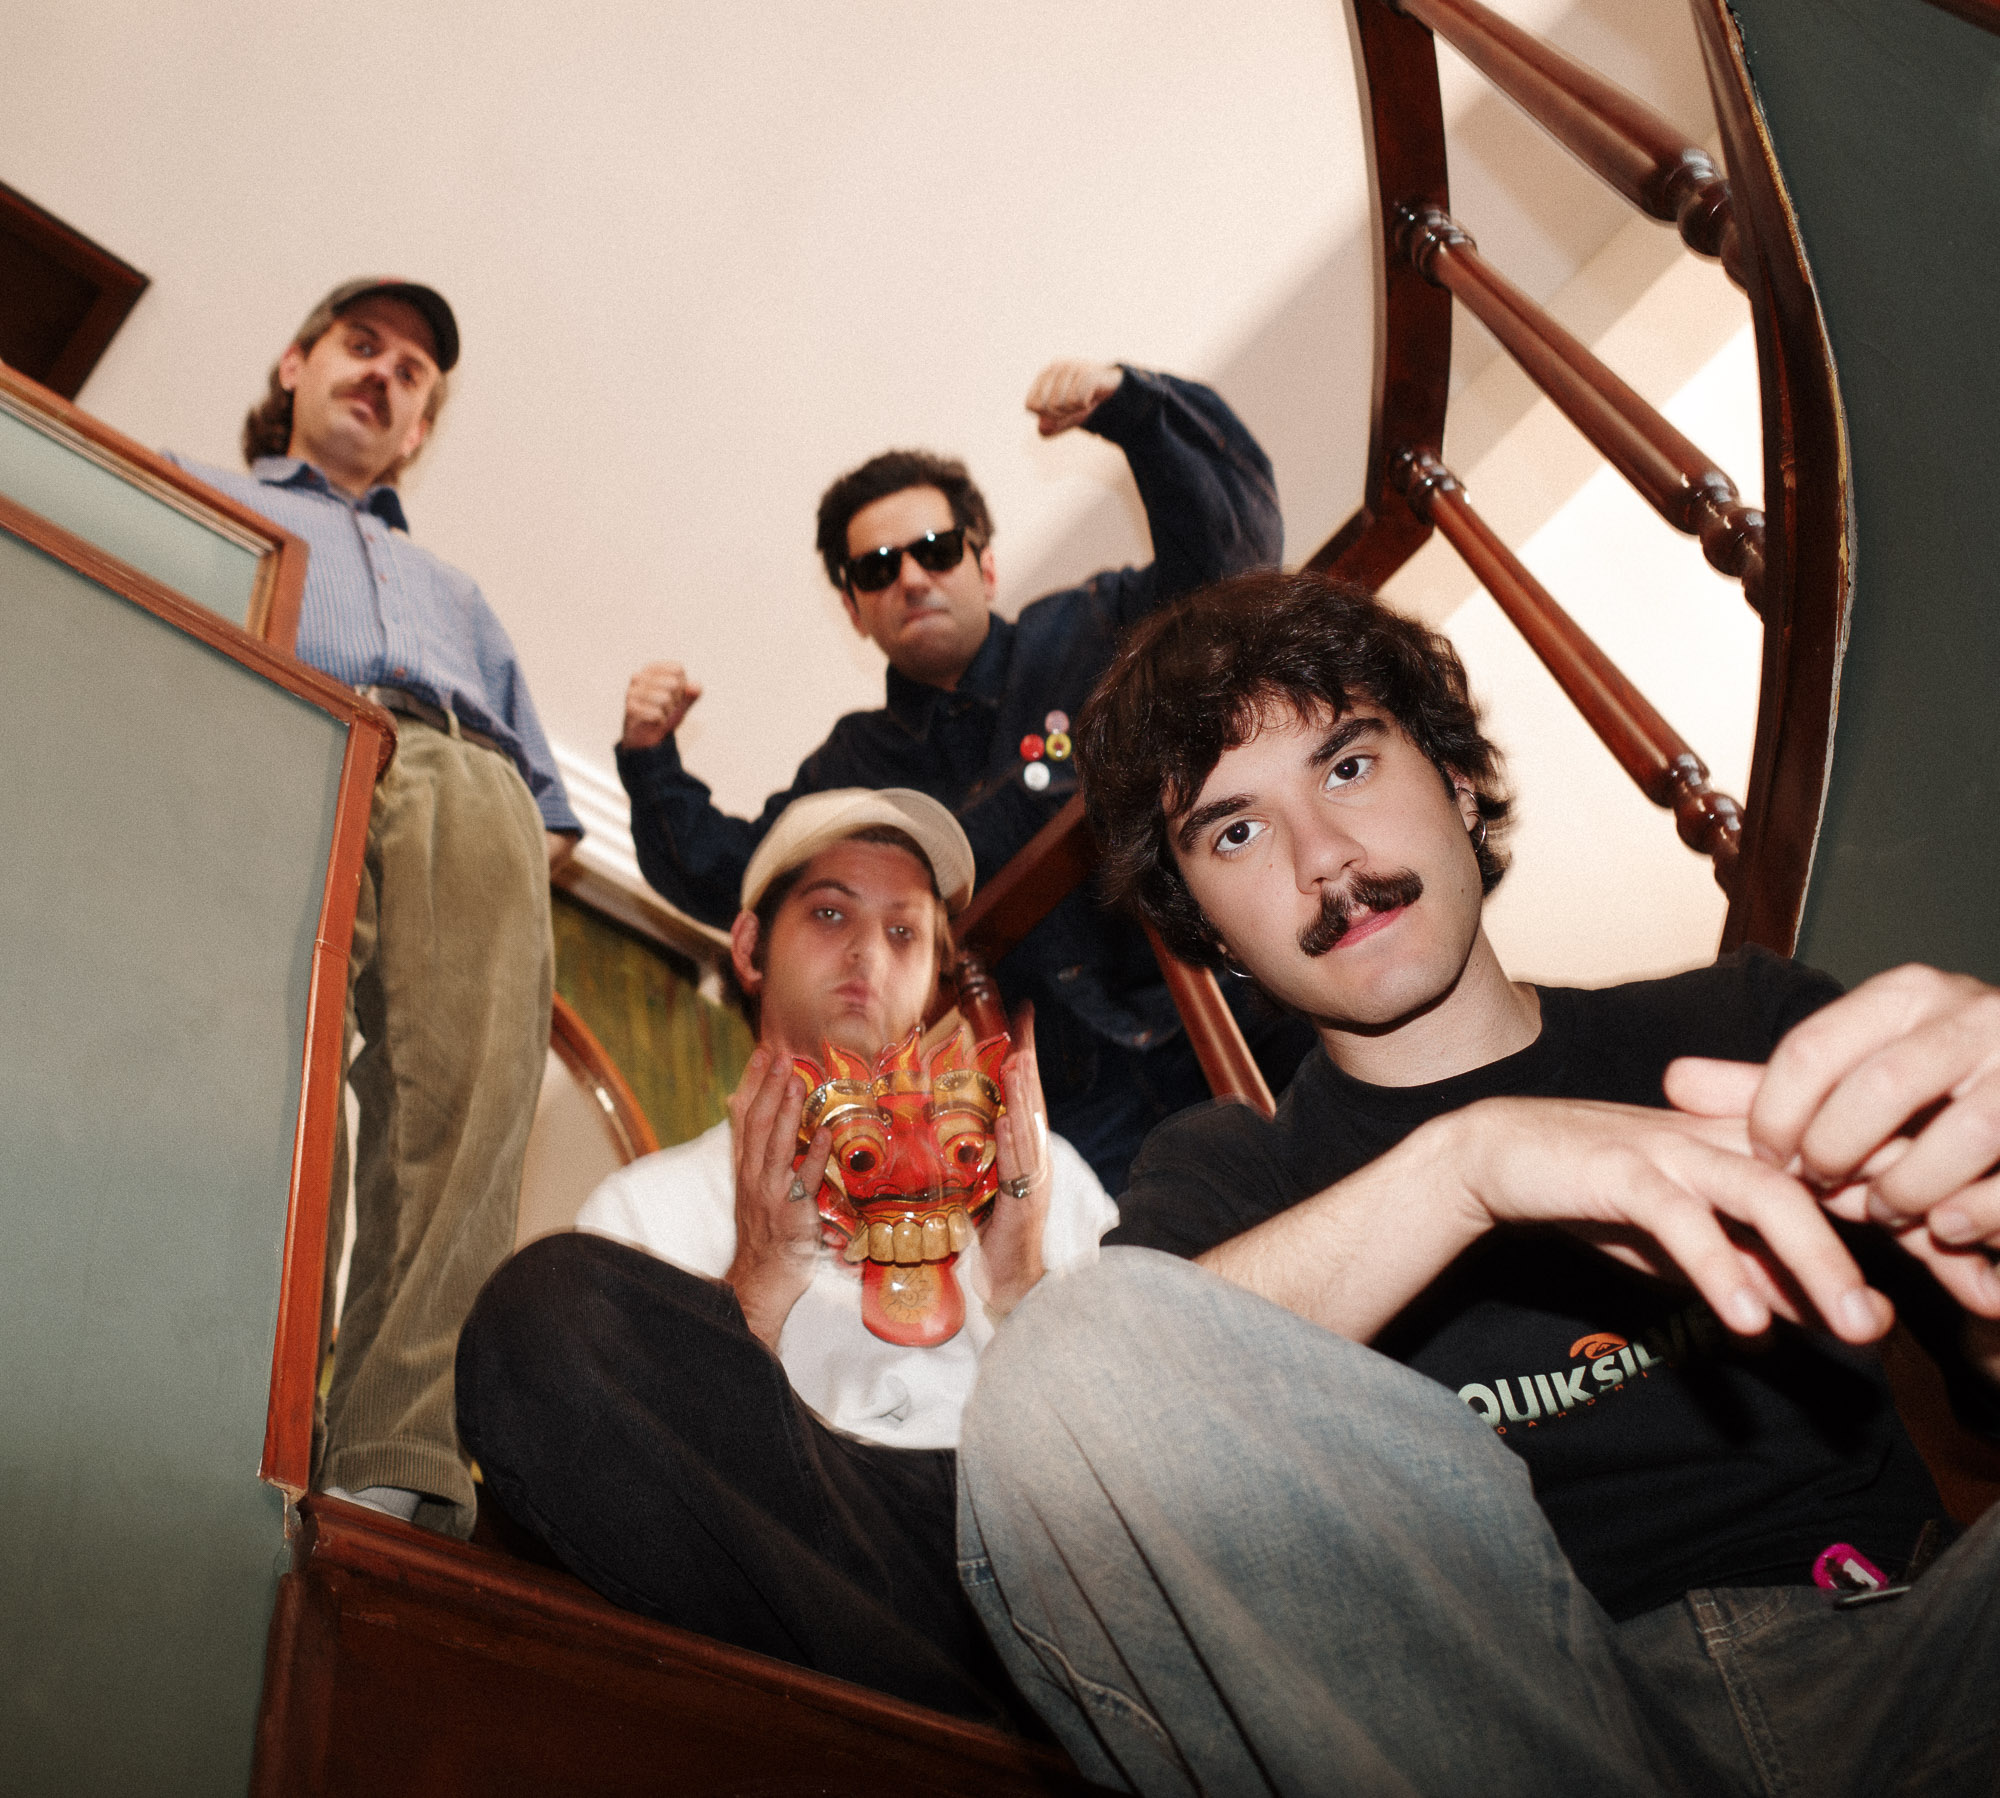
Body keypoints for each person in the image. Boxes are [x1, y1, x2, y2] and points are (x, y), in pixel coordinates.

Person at [952, 570, 2000, 1796]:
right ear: (1208, 928)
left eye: (1347, 765)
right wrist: (1469, 1165)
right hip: (1520, 1744)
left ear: (1452, 777)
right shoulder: (1225, 1176)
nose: (1323, 859)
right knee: (1058, 1353)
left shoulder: (1738, 1024)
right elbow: (1093, 1420)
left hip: (1918, 1659)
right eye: (1235, 832)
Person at [456, 788, 1117, 1725]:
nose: (867, 953)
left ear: (935, 977)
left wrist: (1020, 1287)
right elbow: (623, 1472)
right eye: (831, 914)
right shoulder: (646, 1208)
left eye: (905, 933)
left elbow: (1140, 1466)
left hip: (1018, 1549)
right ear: (749, 947)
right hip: (814, 1563)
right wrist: (756, 1284)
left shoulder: (1035, 1172)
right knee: (540, 1313)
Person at [616, 360, 1311, 1192]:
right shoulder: (853, 771)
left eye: (936, 551)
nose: (911, 578)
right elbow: (729, 874)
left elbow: (1235, 562)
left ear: (983, 567)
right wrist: (649, 756)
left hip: (1245, 1003)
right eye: (877, 569)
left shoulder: (1092, 628)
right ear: (855, 610)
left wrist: (1134, 408)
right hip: (1079, 1120)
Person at [168, 278, 581, 1539]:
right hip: (276, 723)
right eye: (361, 346)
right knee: (260, 1065)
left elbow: (550, 810)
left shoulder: (455, 589)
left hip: (466, 767)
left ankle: (398, 1447)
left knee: (469, 1097)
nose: (383, 376)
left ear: (419, 431)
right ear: (294, 363)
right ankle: (238, 1404)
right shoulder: (193, 491)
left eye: (412, 376)